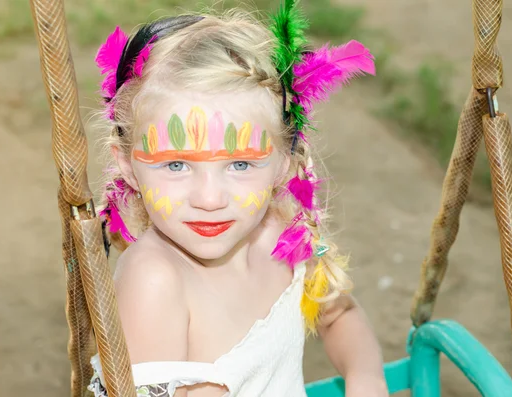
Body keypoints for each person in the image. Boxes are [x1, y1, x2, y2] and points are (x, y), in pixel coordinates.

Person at [89, 1, 387, 396]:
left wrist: (365, 378)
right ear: (128, 165)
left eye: (241, 165)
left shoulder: (283, 239)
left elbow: (337, 315)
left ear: (284, 164)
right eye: (176, 165)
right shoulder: (156, 282)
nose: (210, 198)